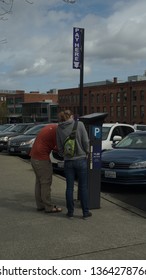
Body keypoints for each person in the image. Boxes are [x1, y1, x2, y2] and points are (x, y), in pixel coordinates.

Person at [56, 110, 92, 219]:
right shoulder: (79, 124)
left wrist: (64, 155)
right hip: (81, 159)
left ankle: (70, 212)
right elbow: (86, 141)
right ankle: (85, 213)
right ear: (70, 116)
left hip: (68, 161)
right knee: (83, 187)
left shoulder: (59, 128)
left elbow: (59, 146)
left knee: (69, 187)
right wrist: (87, 151)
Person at [30, 123, 62, 213]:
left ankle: (40, 205)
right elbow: (59, 148)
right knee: (46, 182)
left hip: (34, 157)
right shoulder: (57, 131)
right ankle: (49, 207)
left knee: (39, 182)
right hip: (41, 158)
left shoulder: (51, 127)